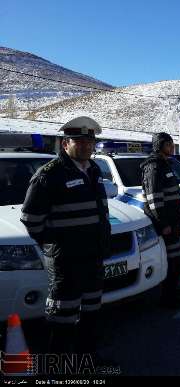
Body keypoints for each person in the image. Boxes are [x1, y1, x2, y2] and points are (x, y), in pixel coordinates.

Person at [20, 117, 111, 359]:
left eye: (89, 142)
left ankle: (87, 361)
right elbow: (31, 219)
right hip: (66, 262)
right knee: (63, 318)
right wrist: (56, 245)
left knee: (91, 313)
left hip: (93, 257)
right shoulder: (50, 174)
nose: (85, 146)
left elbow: (100, 212)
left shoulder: (94, 170)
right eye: (78, 141)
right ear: (65, 144)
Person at [141, 133, 180, 309]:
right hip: (166, 223)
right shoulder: (153, 167)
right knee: (172, 260)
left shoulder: (165, 164)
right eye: (169, 144)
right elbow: (154, 200)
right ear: (160, 146)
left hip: (173, 221)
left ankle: (172, 294)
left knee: (175, 260)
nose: (172, 147)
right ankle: (167, 298)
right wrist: (163, 223)